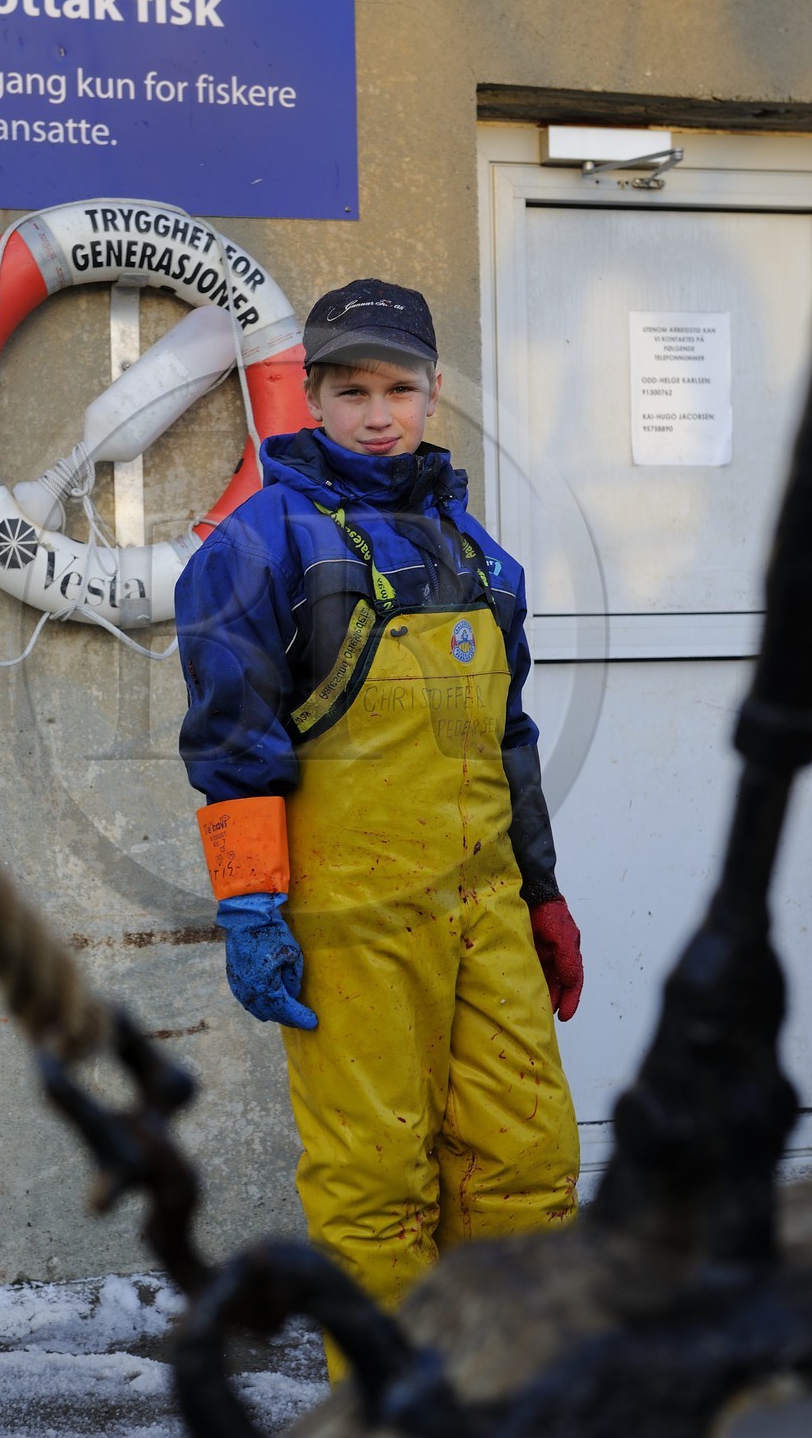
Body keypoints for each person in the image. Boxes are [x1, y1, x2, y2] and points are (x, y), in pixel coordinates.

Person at [174, 279, 582, 1377]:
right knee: (374, 1183)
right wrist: (251, 904)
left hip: (482, 908)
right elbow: (231, 745)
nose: (374, 411)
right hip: (352, 925)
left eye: (396, 387)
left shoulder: (478, 554)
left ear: (433, 393)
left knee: (527, 1159)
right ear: (309, 395)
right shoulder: (259, 548)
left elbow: (508, 738)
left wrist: (539, 892)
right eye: (348, 388)